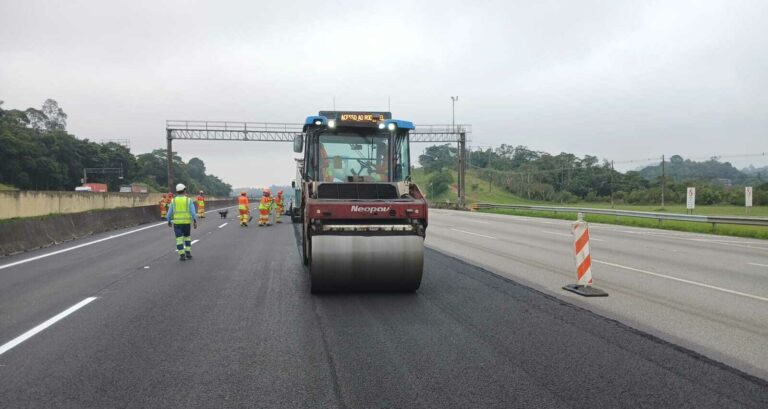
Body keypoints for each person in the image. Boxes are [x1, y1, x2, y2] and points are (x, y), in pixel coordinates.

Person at [166, 183, 198, 261]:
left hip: (177, 224)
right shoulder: (188, 200)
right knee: (187, 238)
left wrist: (169, 221)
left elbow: (169, 213)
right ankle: (188, 253)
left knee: (179, 239)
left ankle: (182, 255)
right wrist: (195, 221)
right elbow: (193, 212)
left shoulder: (173, 200)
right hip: (186, 223)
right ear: (184, 190)